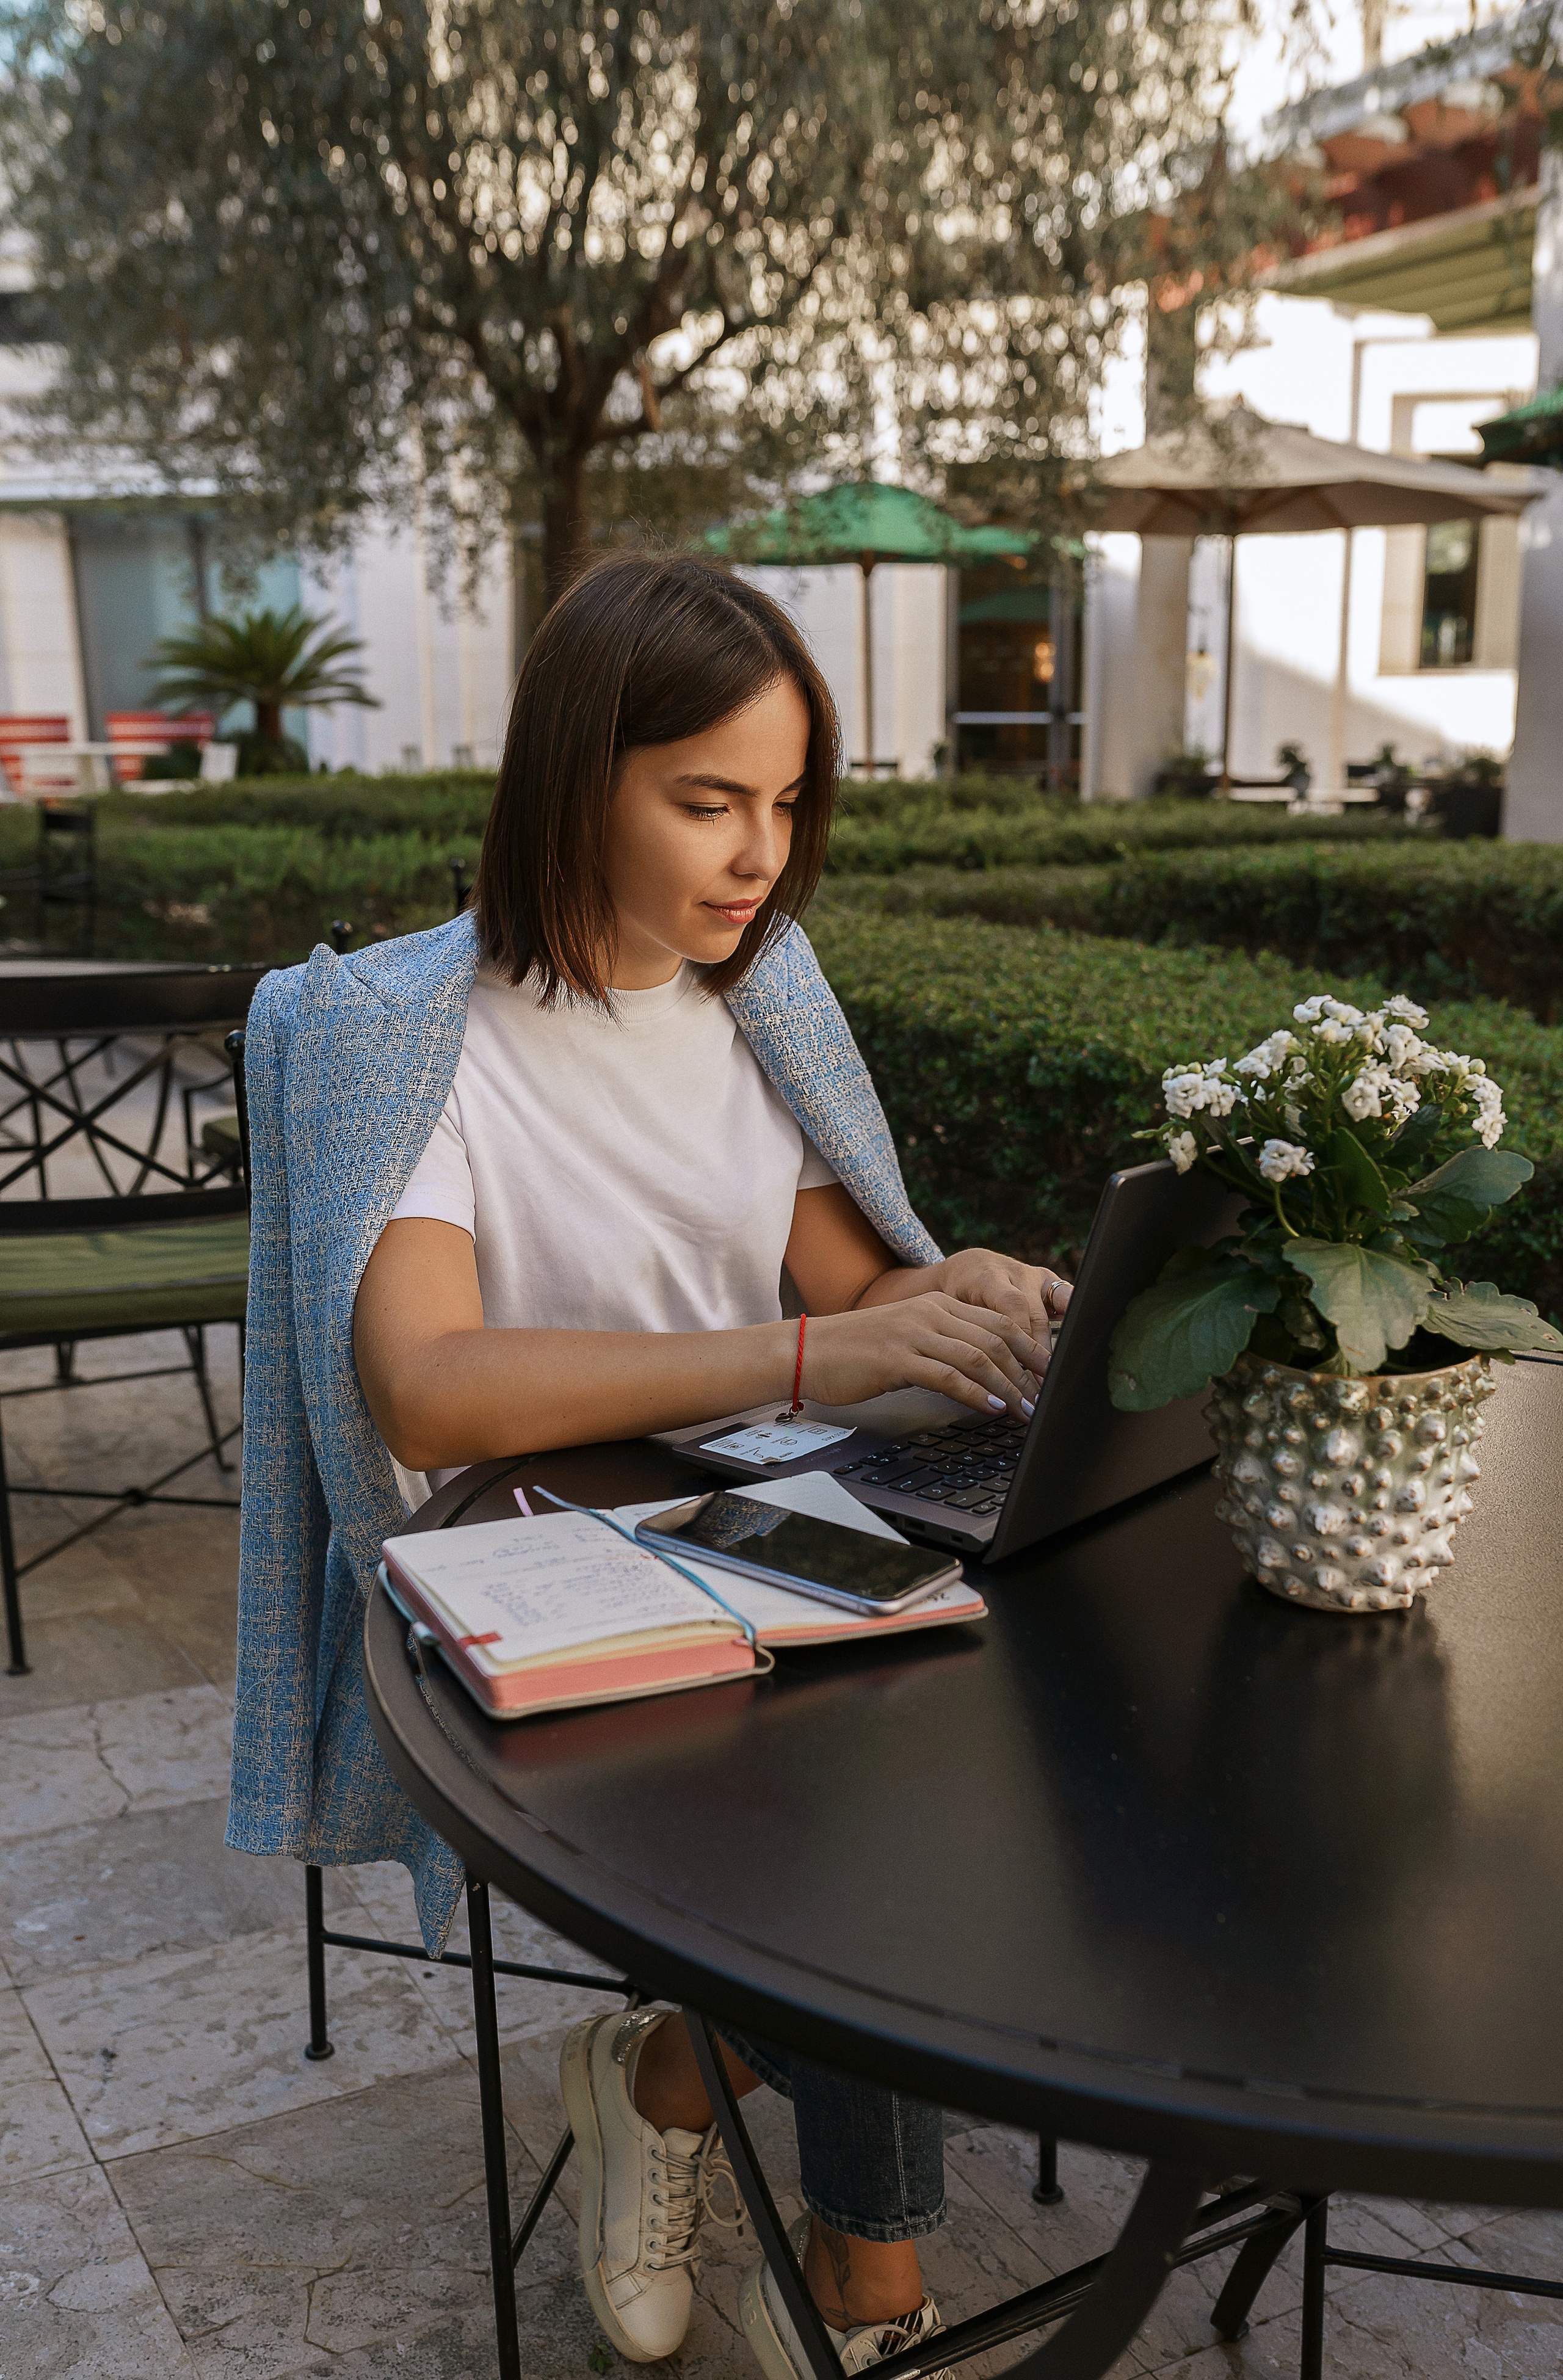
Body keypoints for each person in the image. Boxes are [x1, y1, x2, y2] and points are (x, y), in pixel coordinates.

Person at [233, 553, 1072, 2380]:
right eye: (708, 799)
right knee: (881, 1831)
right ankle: (868, 2302)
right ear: (576, 775)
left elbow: (864, 1296)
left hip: (762, 1543)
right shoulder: (412, 1035)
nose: (760, 850)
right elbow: (433, 1389)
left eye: (783, 802)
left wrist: (965, 1300)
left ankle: (674, 2071)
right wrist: (801, 1350)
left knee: (975, 1756)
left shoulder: (751, 1003)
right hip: (548, 1582)